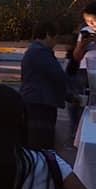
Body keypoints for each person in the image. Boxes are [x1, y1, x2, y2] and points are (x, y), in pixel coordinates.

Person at [20, 22, 67, 150]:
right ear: (47, 35)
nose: (56, 42)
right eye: (55, 38)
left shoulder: (34, 51)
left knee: (35, 141)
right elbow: (58, 75)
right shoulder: (40, 52)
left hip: (35, 100)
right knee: (41, 143)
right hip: (40, 102)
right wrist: (70, 93)